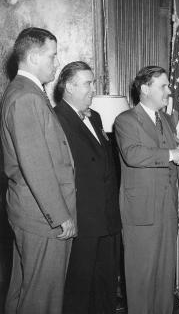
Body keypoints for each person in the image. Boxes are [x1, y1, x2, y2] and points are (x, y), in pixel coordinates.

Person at [0, 27, 76, 314]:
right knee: (43, 300)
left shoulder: (24, 91)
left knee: (23, 293)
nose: (56, 64)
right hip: (42, 218)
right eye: (52, 56)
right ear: (33, 57)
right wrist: (59, 215)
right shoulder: (27, 97)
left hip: (30, 212)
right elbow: (36, 165)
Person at [114, 65, 179, 314]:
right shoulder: (125, 120)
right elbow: (133, 154)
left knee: (165, 277)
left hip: (167, 210)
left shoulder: (166, 119)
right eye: (163, 86)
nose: (169, 92)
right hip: (142, 213)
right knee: (141, 279)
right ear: (145, 89)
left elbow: (175, 163)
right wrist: (171, 154)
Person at [53, 61, 122, 314]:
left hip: (107, 218)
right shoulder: (56, 119)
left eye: (92, 82)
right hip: (82, 218)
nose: (93, 89)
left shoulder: (96, 116)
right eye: (88, 83)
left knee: (105, 285)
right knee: (79, 290)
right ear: (69, 87)